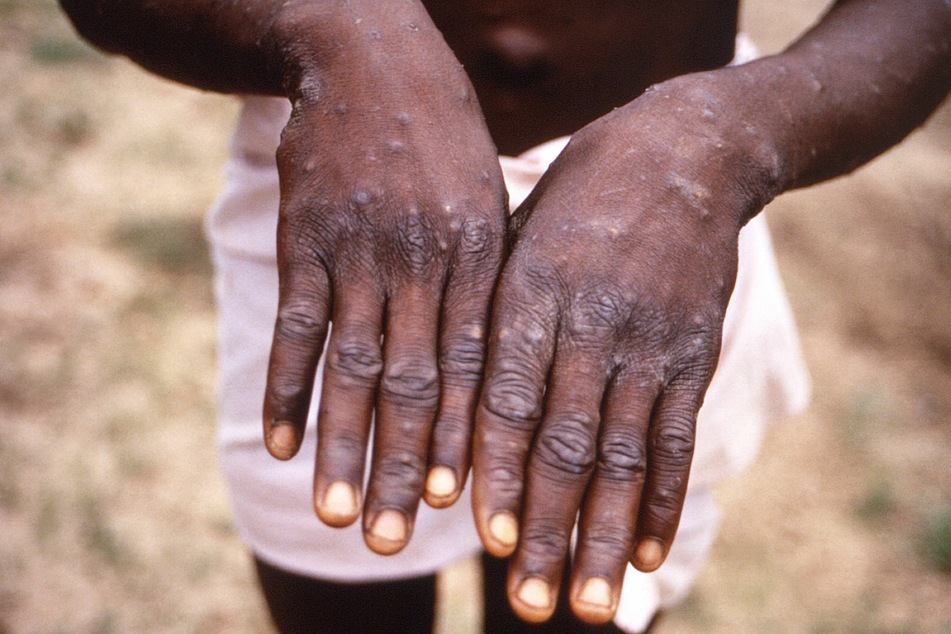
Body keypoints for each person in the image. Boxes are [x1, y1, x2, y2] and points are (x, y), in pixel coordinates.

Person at [58, 1, 950, 632]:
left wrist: (725, 140)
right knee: (332, 577)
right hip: (352, 164)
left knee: (579, 595)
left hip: (656, 214)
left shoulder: (697, 164)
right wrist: (326, 24)